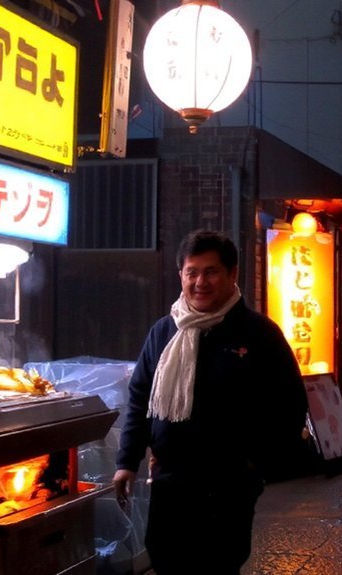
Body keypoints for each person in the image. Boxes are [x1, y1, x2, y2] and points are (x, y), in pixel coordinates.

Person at [113, 230, 309, 574]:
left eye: (211, 271)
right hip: (170, 482)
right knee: (166, 560)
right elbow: (140, 398)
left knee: (219, 564)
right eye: (192, 272)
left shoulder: (259, 333)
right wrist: (127, 461)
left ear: (232, 274)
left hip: (229, 485)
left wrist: (257, 466)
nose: (200, 281)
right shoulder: (164, 331)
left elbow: (290, 405)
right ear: (181, 276)